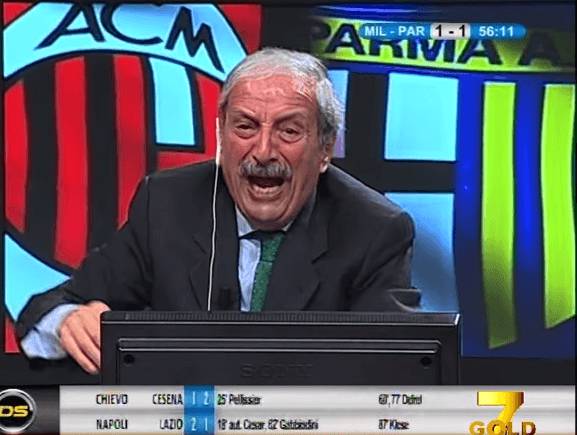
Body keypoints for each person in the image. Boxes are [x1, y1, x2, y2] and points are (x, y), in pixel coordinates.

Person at [16, 48, 419, 374]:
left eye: (289, 130)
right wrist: (70, 320)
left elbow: (395, 362)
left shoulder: (374, 229)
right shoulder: (167, 203)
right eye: (245, 127)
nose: (263, 151)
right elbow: (51, 306)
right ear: (221, 135)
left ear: (325, 149)